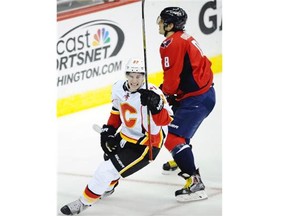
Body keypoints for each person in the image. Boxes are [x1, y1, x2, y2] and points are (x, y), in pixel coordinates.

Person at [60, 58, 173, 215]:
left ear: (144, 76)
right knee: (109, 156)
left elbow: (166, 120)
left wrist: (156, 107)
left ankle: (83, 203)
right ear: (126, 75)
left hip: (147, 144)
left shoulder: (154, 94)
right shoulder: (118, 87)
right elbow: (117, 111)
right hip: (126, 135)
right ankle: (109, 186)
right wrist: (109, 130)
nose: (135, 80)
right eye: (131, 76)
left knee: (105, 170)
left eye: (139, 76)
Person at [156, 7, 216, 202]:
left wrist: (162, 94)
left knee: (173, 137)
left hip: (196, 99)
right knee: (177, 128)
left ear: (170, 25)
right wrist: (172, 92)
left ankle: (195, 182)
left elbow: (172, 78)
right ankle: (180, 158)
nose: (158, 23)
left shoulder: (170, 44)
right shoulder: (184, 37)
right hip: (201, 94)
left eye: (162, 21)